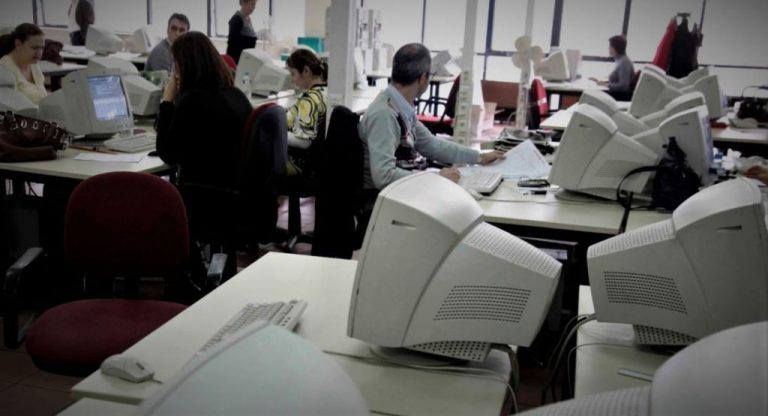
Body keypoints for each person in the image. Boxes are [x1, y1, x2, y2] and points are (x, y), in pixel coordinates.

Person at [359, 43, 505, 191]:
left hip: (402, 189)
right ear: (423, 78)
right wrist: (436, 178)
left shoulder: (400, 106)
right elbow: (384, 177)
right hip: (382, 197)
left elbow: (432, 145)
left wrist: (479, 157)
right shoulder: (384, 115)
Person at [156, 31, 252, 188]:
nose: (175, 71)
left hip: (204, 193)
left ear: (185, 65)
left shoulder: (193, 102)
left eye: (176, 63)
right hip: (233, 188)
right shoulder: (236, 94)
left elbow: (167, 154)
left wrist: (167, 101)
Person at [284, 48, 327, 176]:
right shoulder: (324, 92)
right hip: (313, 162)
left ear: (306, 71)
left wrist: (277, 133)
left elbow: (304, 142)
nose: (292, 80)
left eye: (293, 74)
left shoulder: (308, 100)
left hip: (297, 163)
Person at [0, 23, 47, 104]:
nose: (39, 53)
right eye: (34, 48)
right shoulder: (4, 69)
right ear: (18, 44)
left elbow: (42, 95)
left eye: (42, 48)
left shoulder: (33, 65)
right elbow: (11, 106)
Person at [589, 35, 634, 100]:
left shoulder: (624, 62)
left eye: (610, 46)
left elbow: (623, 86)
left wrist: (605, 85)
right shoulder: (619, 60)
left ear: (615, 48)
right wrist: (602, 82)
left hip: (619, 97)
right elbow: (617, 81)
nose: (608, 48)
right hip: (615, 95)